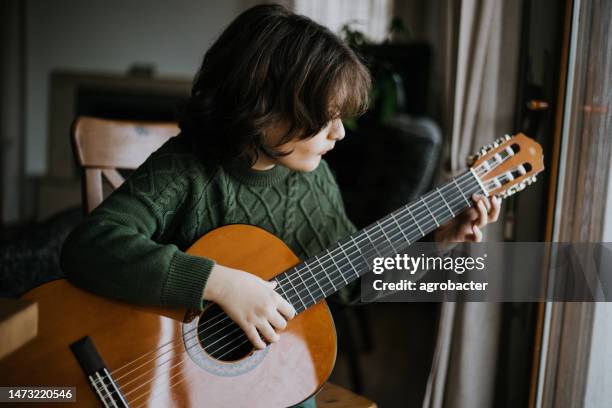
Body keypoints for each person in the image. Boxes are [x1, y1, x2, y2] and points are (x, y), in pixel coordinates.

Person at [61, 4, 500, 407]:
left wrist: (437, 244)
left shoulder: (312, 179)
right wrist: (220, 284)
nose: (339, 134)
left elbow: (350, 281)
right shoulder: (187, 167)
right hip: (158, 376)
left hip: (261, 385)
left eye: (340, 120)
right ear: (262, 107)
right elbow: (90, 245)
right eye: (324, 119)